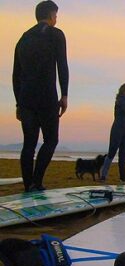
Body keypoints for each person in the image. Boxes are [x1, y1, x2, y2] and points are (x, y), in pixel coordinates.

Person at [12, 1, 68, 192]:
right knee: (51, 140)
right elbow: (62, 66)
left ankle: (29, 185)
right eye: (56, 15)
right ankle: (37, 181)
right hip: (46, 97)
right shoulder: (56, 34)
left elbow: (16, 75)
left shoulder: (24, 38)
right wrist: (65, 94)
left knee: (29, 143)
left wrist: (18, 103)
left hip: (26, 98)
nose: (56, 19)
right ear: (51, 14)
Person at [100, 83, 125, 182]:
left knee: (123, 154)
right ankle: (103, 175)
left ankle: (122, 176)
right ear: (123, 90)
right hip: (117, 129)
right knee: (112, 153)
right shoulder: (120, 100)